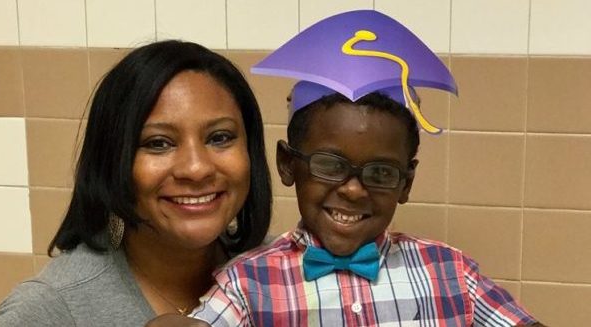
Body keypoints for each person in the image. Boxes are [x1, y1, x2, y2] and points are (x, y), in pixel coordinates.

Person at [146, 10, 544, 327]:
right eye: (329, 165)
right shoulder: (247, 286)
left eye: (381, 173)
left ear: (406, 183)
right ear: (288, 165)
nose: (354, 190)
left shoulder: (452, 272)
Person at [0, 40, 272, 326]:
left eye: (219, 137)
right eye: (158, 143)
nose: (196, 168)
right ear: (112, 161)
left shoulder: (287, 275)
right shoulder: (50, 309)